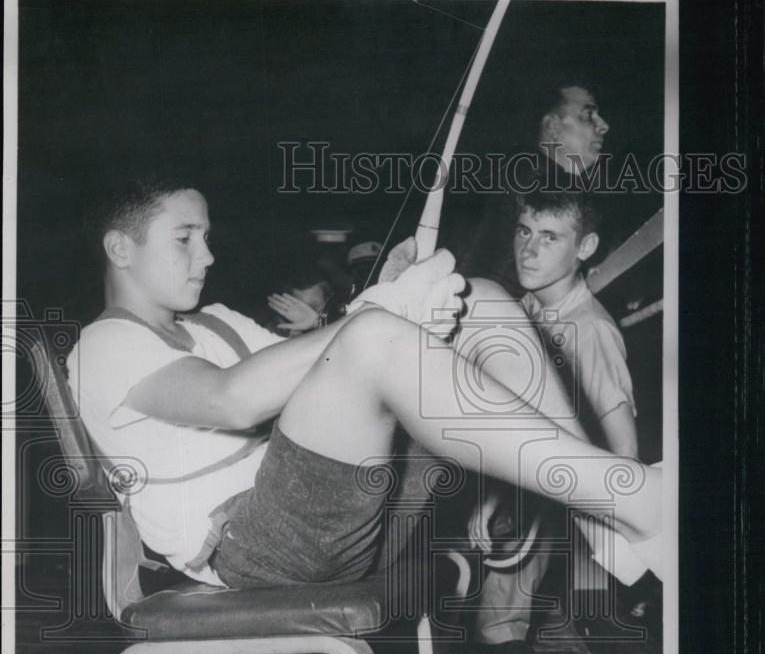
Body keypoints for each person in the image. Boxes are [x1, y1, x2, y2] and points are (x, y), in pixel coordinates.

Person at [67, 177, 660, 595]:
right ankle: (635, 498)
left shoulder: (217, 318)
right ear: (121, 248)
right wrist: (381, 313)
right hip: (253, 546)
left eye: (207, 236)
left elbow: (326, 380)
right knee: (376, 333)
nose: (208, 255)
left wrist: (385, 297)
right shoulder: (105, 345)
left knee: (476, 298)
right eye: (185, 238)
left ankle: (604, 517)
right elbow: (232, 398)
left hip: (347, 512)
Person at [468, 190, 638, 654]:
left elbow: (623, 446)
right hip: (517, 466)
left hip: (576, 483)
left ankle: (500, 632)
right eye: (524, 231)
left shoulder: (590, 329)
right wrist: (489, 497)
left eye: (549, 237)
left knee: (543, 484)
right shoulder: (522, 311)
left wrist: (626, 527)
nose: (528, 249)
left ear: (584, 248)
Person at [462, 80, 610, 297]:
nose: (603, 125)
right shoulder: (535, 182)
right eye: (587, 115)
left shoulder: (515, 171)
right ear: (552, 127)